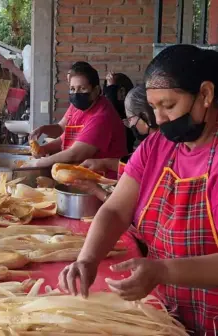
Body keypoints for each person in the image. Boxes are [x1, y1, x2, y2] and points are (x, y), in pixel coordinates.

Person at [58, 45, 218, 336]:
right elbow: (117, 209)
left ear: (205, 95)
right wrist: (88, 258)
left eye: (168, 106)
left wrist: (163, 271)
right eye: (154, 107)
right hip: (168, 315)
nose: (158, 120)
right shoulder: (157, 147)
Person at [25, 62, 127, 170]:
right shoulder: (77, 107)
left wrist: (41, 162)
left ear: (96, 90)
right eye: (72, 89)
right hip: (80, 176)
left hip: (103, 180)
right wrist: (44, 149)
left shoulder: (102, 116)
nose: (76, 94)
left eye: (82, 88)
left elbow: (76, 154)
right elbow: (63, 137)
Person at [74, 85, 158, 202]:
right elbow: (138, 167)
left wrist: (97, 191)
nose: (130, 125)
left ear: (145, 116)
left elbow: (131, 204)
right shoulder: (150, 144)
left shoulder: (160, 148)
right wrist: (105, 163)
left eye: (130, 120)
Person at [104, 72, 136, 153]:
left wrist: (111, 88)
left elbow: (113, 110)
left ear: (122, 91)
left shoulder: (131, 108)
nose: (107, 96)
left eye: (111, 92)